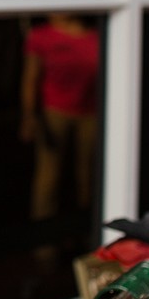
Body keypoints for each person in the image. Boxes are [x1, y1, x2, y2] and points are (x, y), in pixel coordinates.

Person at [20, 12, 98, 229]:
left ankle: (87, 236)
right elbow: (30, 78)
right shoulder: (42, 36)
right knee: (48, 178)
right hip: (53, 113)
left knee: (89, 177)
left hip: (91, 113)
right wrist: (29, 116)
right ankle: (43, 245)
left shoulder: (95, 36)